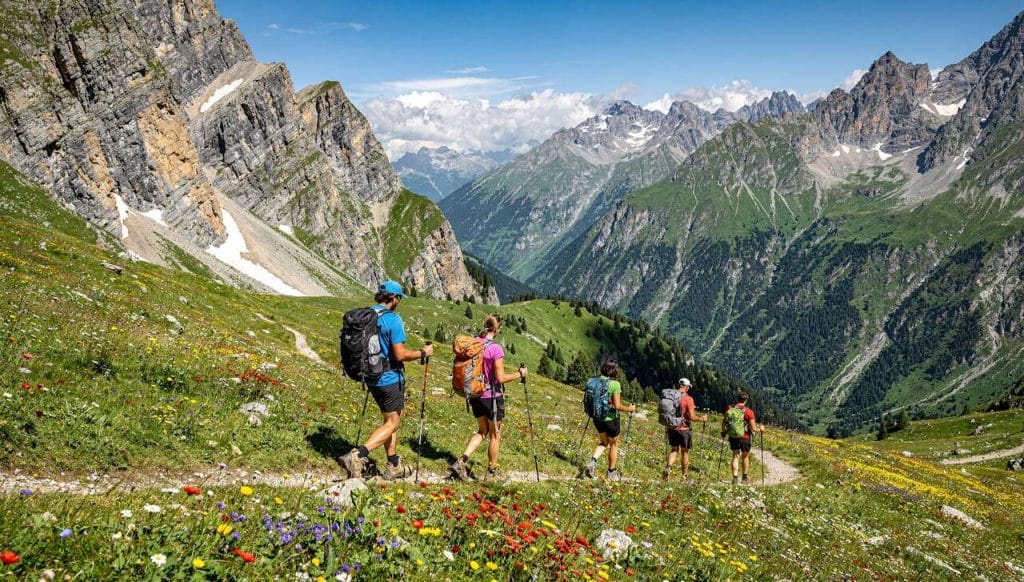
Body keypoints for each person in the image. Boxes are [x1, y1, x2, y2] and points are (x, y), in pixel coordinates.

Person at [340, 281, 433, 480]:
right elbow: (400, 355)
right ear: (394, 298)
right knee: (393, 423)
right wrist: (423, 352)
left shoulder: (368, 315)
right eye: (399, 298)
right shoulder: (393, 319)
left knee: (390, 420)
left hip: (370, 376)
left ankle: (393, 465)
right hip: (389, 378)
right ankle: (358, 456)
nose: (399, 301)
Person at [449, 315, 526, 482]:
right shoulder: (495, 349)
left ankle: (461, 461)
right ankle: (491, 472)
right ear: (497, 329)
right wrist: (519, 374)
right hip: (492, 397)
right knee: (495, 435)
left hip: (475, 394)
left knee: (482, 431)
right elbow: (500, 378)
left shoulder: (474, 343)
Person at [581, 359, 635, 481]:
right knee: (613, 444)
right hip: (611, 419)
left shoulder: (593, 380)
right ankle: (611, 473)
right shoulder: (614, 384)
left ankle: (592, 462)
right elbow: (617, 406)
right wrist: (630, 409)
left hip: (597, 417)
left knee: (603, 442)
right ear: (614, 370)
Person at [664, 378, 708, 480]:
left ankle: (668, 467)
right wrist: (701, 419)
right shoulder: (688, 399)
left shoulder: (670, 397)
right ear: (687, 387)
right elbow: (692, 417)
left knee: (674, 450)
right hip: (684, 429)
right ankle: (684, 476)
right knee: (685, 452)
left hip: (672, 428)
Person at [721, 391, 760, 484]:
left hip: (733, 435)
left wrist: (723, 432)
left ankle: (735, 478)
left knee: (735, 456)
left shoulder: (730, 408)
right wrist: (761, 429)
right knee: (745, 456)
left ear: (738, 399)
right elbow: (754, 428)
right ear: (746, 400)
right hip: (745, 437)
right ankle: (744, 478)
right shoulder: (749, 412)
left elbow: (724, 422)